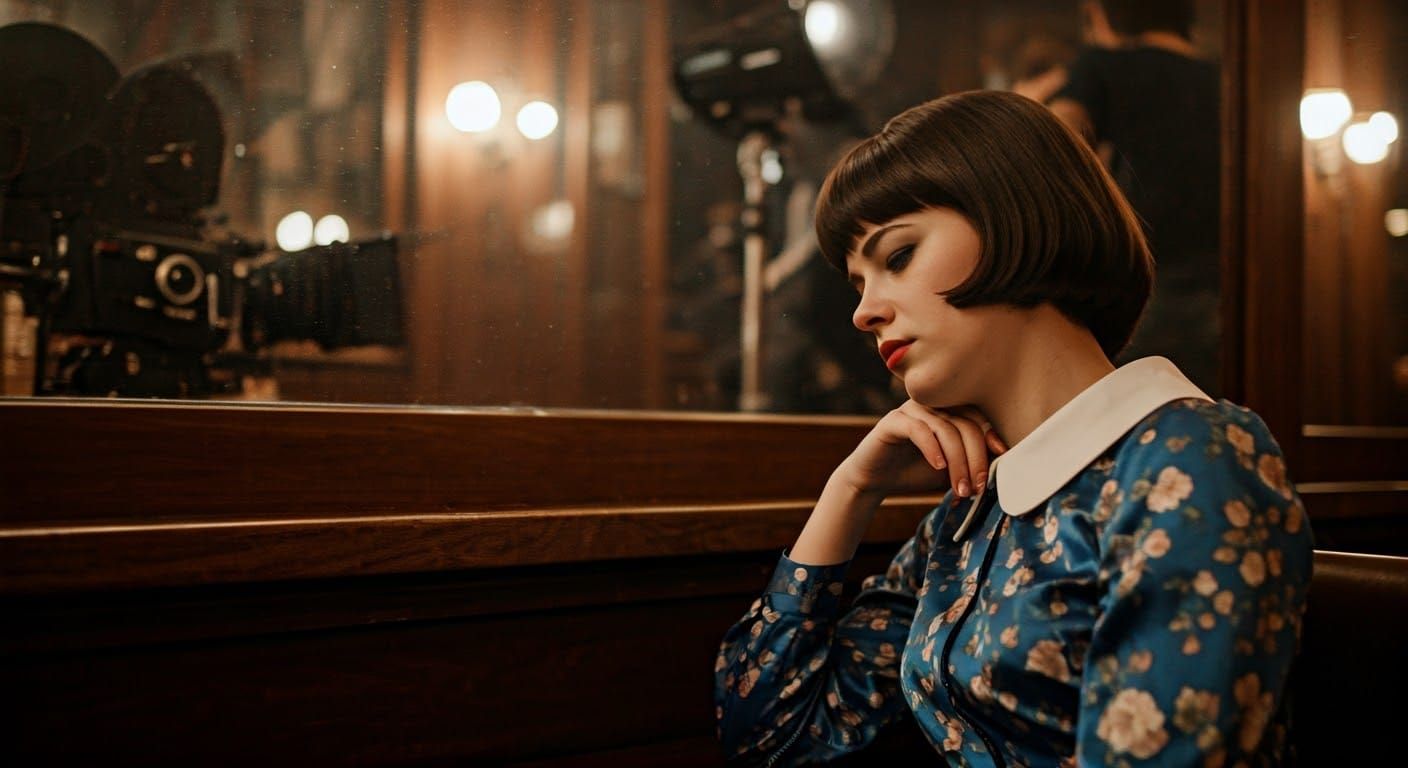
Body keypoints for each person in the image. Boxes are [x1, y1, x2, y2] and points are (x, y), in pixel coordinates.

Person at [713, 90, 1311, 766]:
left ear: (1013, 220)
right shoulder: (975, 506)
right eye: (857, 283)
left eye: (899, 256)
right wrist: (852, 488)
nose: (865, 312)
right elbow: (768, 735)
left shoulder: (1190, 456)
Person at [1046, 0, 1223, 395]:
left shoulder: (1103, 66)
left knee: (1121, 418)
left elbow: (1051, 145)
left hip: (1141, 277)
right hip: (1225, 282)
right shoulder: (1223, 76)